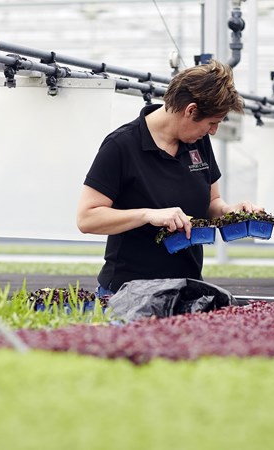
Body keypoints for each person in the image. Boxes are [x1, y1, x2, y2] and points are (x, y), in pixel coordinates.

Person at [76, 59, 263, 296]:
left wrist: (232, 212)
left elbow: (211, 204)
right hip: (128, 292)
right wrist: (147, 215)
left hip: (187, 288)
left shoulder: (199, 142)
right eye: (212, 123)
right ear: (191, 110)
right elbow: (87, 218)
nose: (213, 131)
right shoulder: (121, 146)